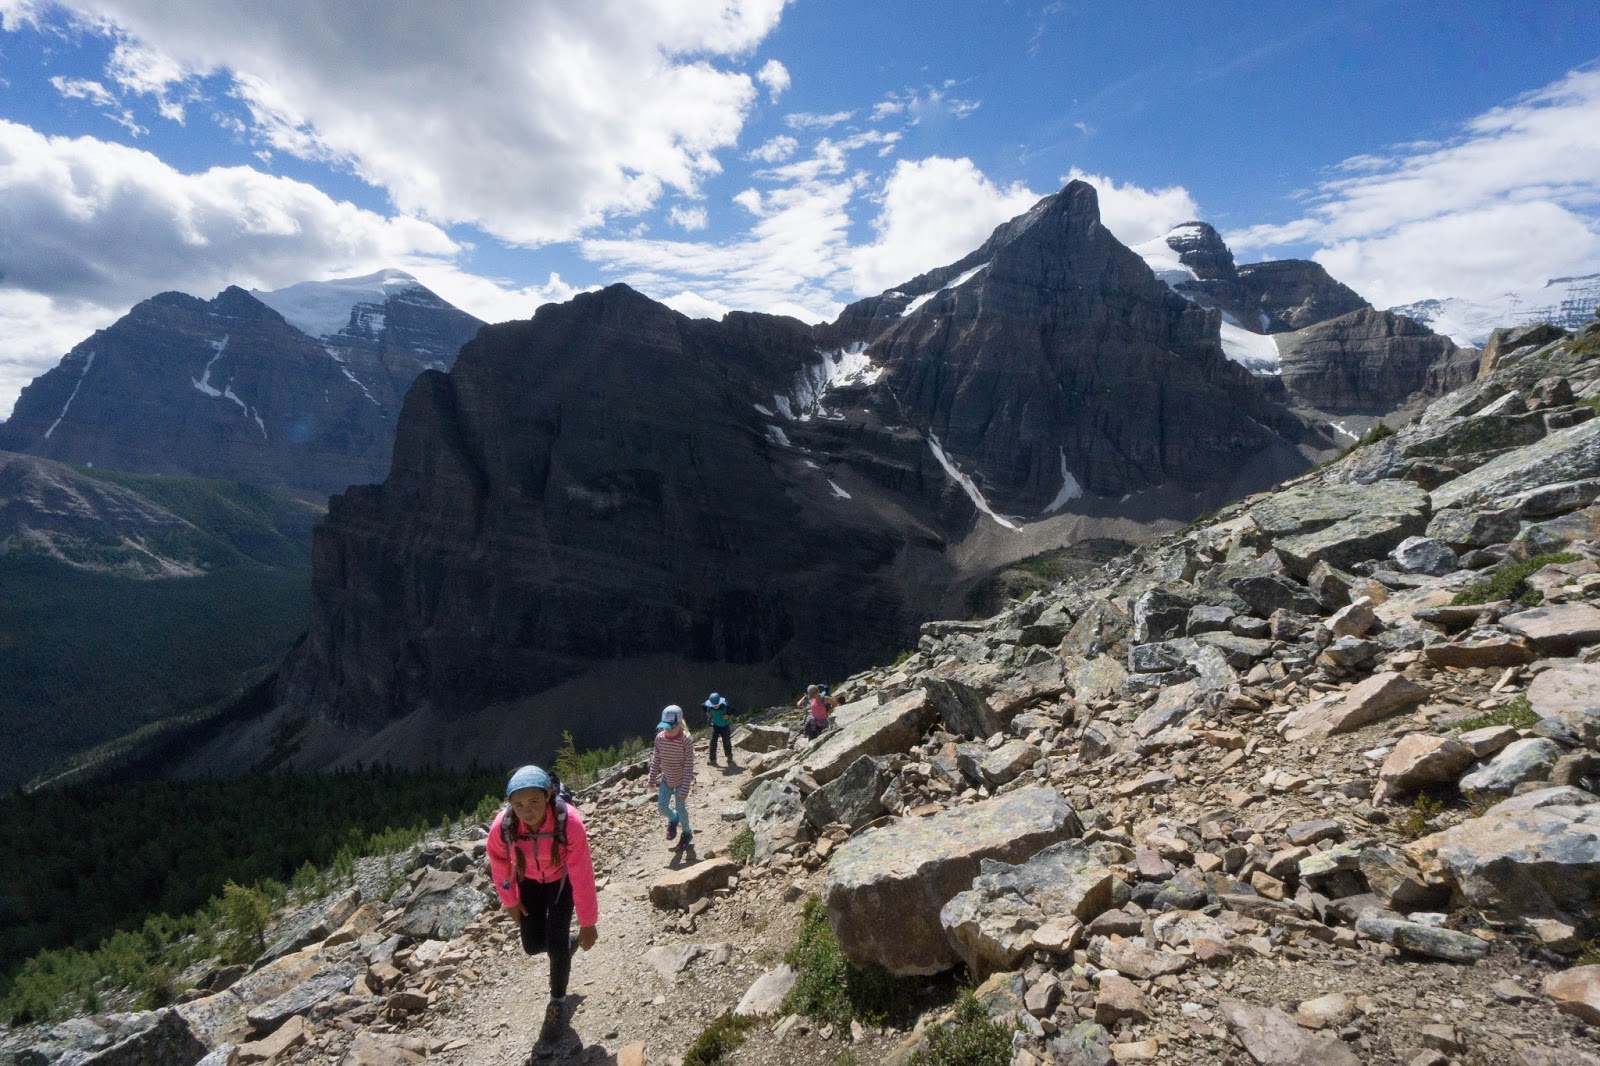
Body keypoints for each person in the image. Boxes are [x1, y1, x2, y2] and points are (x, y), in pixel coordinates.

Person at [485, 765, 599, 1044]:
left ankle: (557, 1003)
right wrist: (511, 901)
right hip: (529, 881)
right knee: (532, 944)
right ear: (510, 805)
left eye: (534, 801)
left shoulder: (569, 823)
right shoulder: (504, 826)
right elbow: (499, 862)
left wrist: (588, 922)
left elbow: (582, 874)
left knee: (555, 946)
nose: (527, 811)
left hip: (561, 881)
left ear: (548, 796)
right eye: (518, 805)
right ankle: (566, 944)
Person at [649, 705, 696, 850]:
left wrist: (685, 788)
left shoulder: (685, 740)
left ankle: (687, 833)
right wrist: (651, 779)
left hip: (681, 781)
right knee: (662, 807)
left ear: (679, 724)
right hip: (666, 779)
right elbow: (656, 759)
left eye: (671, 727)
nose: (668, 730)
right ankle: (673, 819)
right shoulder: (659, 738)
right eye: (665, 727)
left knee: (680, 807)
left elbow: (689, 765)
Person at [704, 692, 735, 768]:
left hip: (725, 727)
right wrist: (708, 714)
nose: (715, 706)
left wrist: (728, 715)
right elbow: (703, 706)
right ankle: (712, 759)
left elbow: (732, 710)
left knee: (726, 742)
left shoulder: (725, 707)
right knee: (712, 743)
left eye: (717, 704)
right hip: (715, 727)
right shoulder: (709, 708)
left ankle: (729, 756)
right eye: (714, 705)